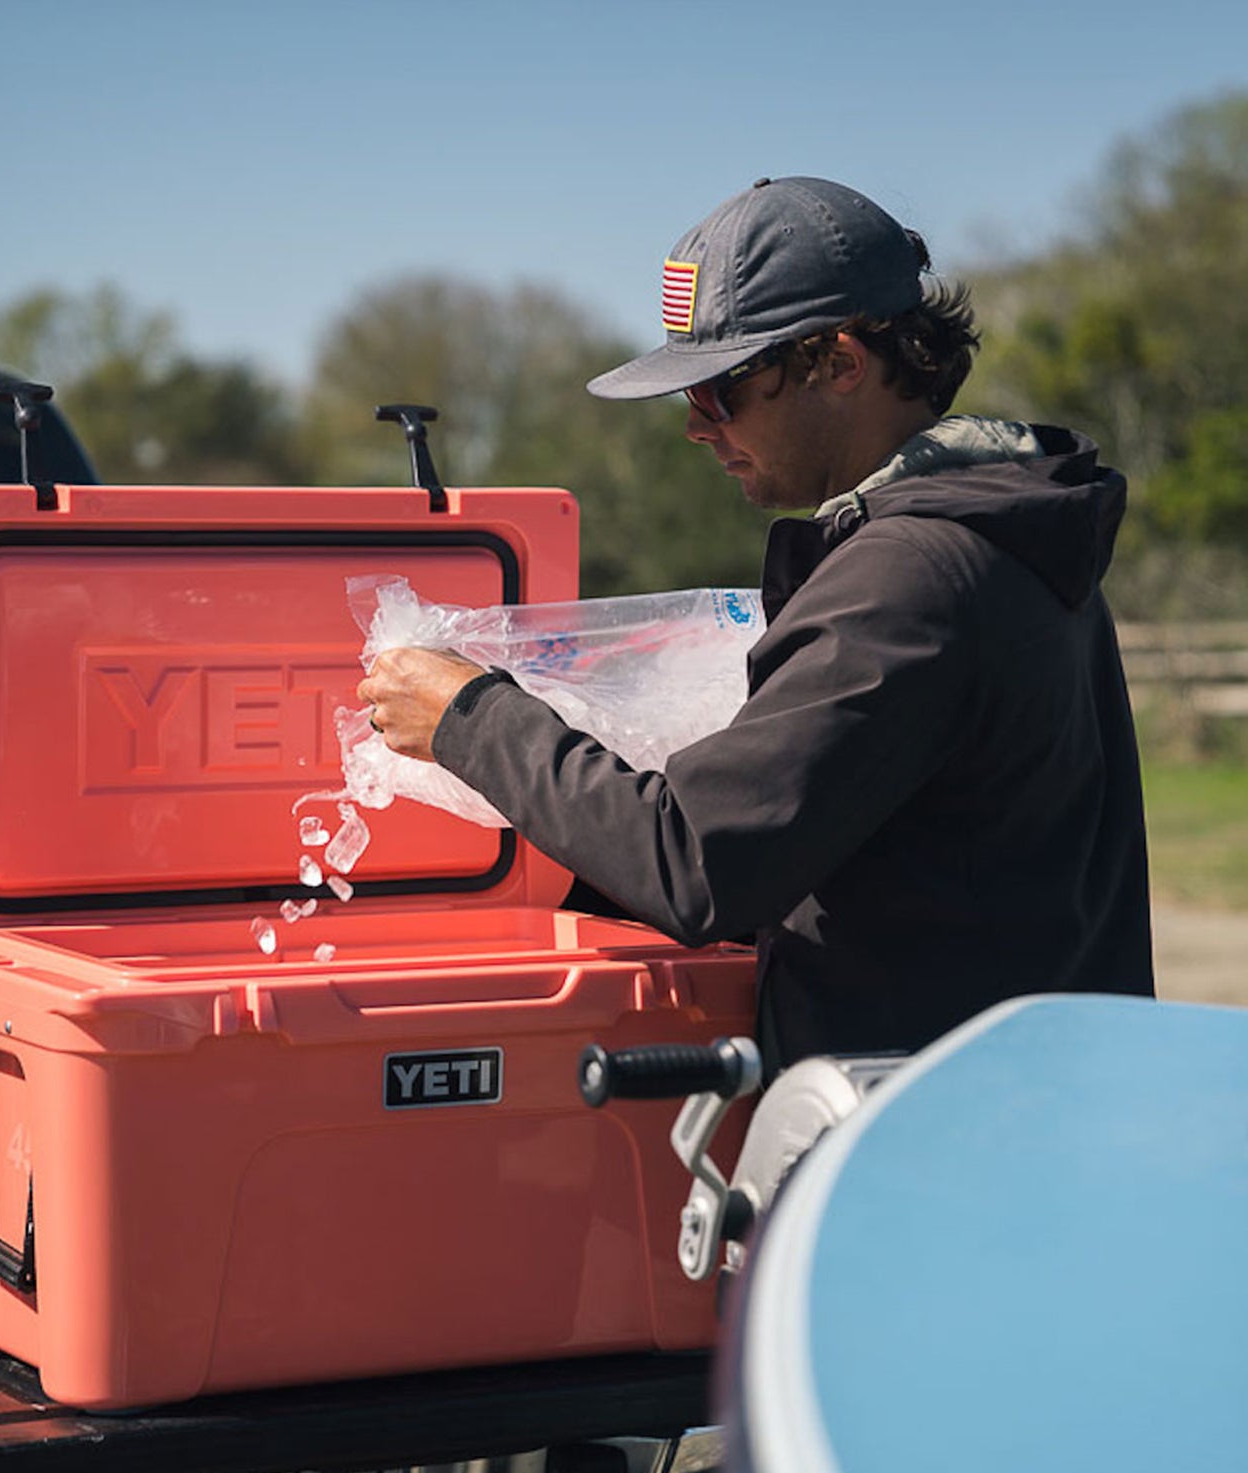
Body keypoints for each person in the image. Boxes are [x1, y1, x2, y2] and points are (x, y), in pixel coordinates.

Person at [357, 176, 1154, 1076]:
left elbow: (695, 865)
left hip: (929, 1143)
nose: (699, 430)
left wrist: (471, 717)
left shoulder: (909, 578)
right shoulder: (1009, 531)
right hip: (1017, 1102)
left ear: (843, 363)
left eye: (722, 392)